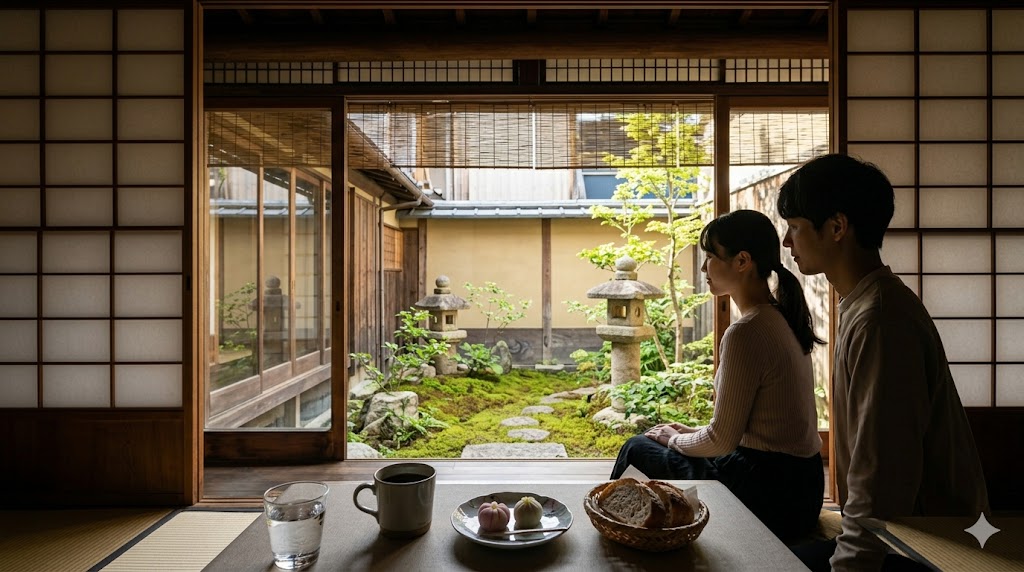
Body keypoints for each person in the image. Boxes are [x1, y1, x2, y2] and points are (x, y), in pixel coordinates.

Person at [778, 154, 989, 571]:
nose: (788, 242)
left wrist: (850, 564)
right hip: (906, 536)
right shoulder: (867, 304)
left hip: (928, 548)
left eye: (796, 227)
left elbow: (881, 480)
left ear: (837, 227)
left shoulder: (880, 319)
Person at [609, 209, 825, 544]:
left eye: (710, 257)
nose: (702, 268)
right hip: (803, 488)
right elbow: (742, 432)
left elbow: (722, 441)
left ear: (742, 261)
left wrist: (672, 439)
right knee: (659, 441)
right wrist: (690, 433)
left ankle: (613, 530)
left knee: (638, 447)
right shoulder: (780, 317)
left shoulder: (747, 331)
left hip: (767, 492)